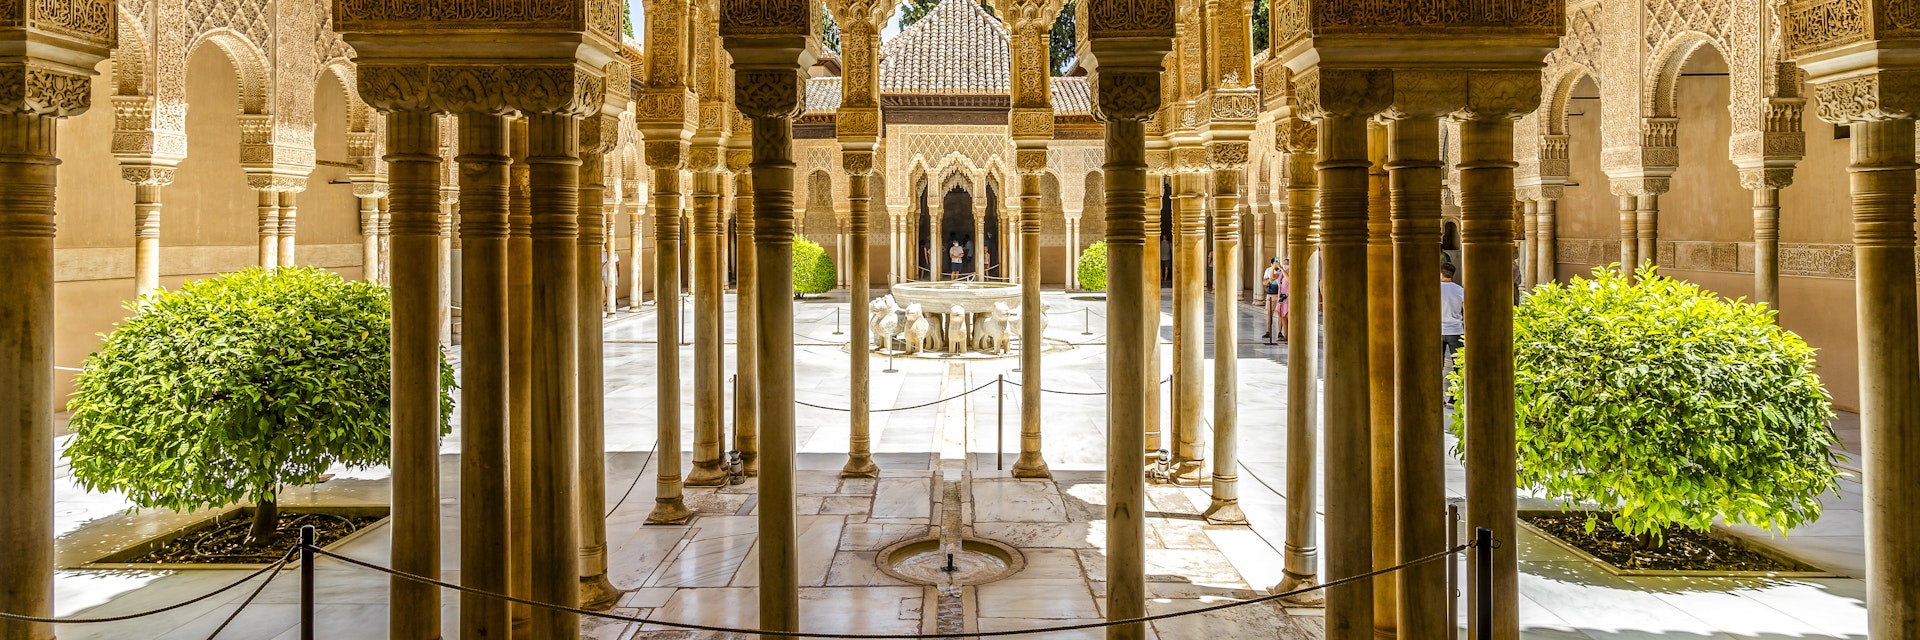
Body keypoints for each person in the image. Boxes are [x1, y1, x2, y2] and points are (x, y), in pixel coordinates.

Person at [1440, 261, 1465, 401]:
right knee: (1458, 365)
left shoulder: (1435, 288)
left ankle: (1438, 397)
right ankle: (1454, 397)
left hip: (1438, 330)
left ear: (1440, 273)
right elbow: (1465, 311)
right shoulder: (1460, 290)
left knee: (1437, 365)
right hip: (1456, 330)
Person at [1263, 258, 1289, 344]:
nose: (1285, 266)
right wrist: (1273, 268)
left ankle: (1286, 335)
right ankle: (1286, 337)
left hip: (1288, 297)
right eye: (1284, 264)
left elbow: (1288, 279)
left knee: (1288, 317)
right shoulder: (1280, 274)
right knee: (1283, 316)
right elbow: (1271, 277)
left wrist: (1281, 268)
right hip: (1281, 297)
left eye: (1287, 264)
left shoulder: (1290, 272)